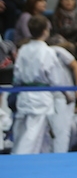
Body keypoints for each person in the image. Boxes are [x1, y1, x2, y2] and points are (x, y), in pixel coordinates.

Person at [11, 15, 62, 154]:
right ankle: (21, 158)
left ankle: (42, 159)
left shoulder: (23, 49)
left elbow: (17, 74)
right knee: (32, 133)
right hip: (41, 95)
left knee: (34, 131)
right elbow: (55, 78)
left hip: (24, 93)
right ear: (45, 31)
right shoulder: (48, 51)